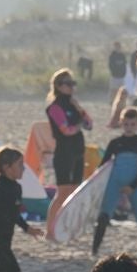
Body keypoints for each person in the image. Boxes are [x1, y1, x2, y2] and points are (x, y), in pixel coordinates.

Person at [94, 107, 137, 256]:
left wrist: (132, 186)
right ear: (121, 124)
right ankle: (94, 250)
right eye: (126, 124)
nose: (129, 128)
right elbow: (102, 165)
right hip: (114, 183)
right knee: (104, 216)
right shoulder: (115, 143)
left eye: (133, 124)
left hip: (133, 185)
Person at [42, 69, 94, 238]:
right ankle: (50, 230)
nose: (71, 87)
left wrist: (79, 109)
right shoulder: (55, 107)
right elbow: (66, 130)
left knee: (74, 192)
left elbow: (89, 123)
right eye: (68, 84)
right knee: (62, 192)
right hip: (64, 153)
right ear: (58, 86)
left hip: (78, 151)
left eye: (73, 84)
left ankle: (69, 227)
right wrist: (79, 125)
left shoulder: (73, 104)